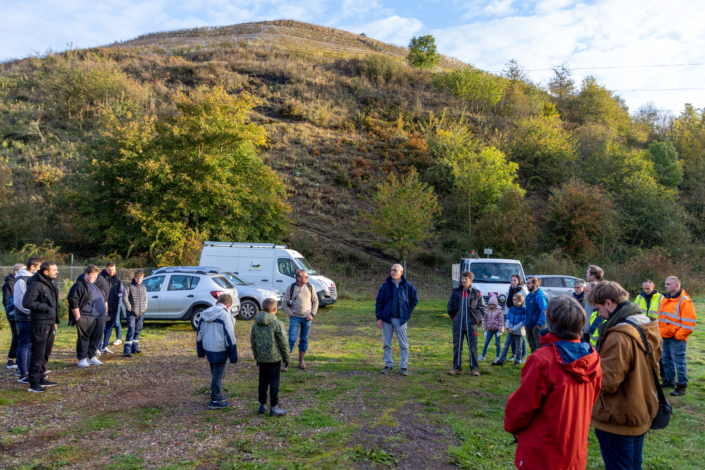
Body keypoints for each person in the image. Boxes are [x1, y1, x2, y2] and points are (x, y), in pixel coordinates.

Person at [504, 296, 602, 470]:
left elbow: (522, 407)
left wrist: (512, 425)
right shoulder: (592, 356)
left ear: (551, 321)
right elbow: (592, 397)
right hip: (574, 447)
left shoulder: (543, 360)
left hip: (542, 450)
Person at [588, 281, 661, 470]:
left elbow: (607, 382)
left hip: (618, 418)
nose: (599, 315)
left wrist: (584, 373)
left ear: (609, 302)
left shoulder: (618, 336)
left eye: (598, 309)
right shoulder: (646, 323)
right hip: (640, 410)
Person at [23, 262, 60, 393]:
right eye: (54, 270)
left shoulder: (50, 282)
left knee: (46, 352)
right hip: (39, 323)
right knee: (38, 353)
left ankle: (41, 377)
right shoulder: (35, 283)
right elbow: (27, 302)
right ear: (45, 272)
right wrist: (45, 308)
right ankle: (33, 382)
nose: (57, 272)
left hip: (50, 322)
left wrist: (54, 319)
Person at [196, 293, 238, 410]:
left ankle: (217, 394)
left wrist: (200, 349)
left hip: (208, 346)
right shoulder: (225, 315)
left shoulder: (205, 313)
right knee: (218, 375)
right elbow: (229, 334)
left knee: (215, 372)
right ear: (229, 305)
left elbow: (199, 332)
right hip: (220, 348)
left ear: (216, 302)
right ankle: (214, 400)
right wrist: (233, 354)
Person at [376, 264, 419, 376]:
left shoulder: (408, 286)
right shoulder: (385, 286)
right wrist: (379, 317)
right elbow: (379, 302)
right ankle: (388, 365)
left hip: (401, 320)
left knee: (403, 345)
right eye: (392, 270)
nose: (393, 272)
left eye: (395, 270)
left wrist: (407, 311)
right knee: (386, 344)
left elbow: (414, 300)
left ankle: (404, 367)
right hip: (387, 319)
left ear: (401, 272)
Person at [251, 298, 290, 417]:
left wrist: (257, 357)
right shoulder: (277, 323)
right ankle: (274, 407)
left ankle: (262, 405)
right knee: (274, 382)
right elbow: (283, 342)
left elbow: (253, 342)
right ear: (275, 309)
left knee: (262, 381)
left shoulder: (256, 323)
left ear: (263, 308)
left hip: (261, 358)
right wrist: (286, 358)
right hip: (274, 358)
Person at [657, 276, 696, 397]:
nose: (665, 286)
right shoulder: (665, 298)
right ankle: (670, 381)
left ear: (676, 286)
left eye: (668, 284)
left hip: (676, 339)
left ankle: (682, 386)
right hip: (664, 336)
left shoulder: (685, 301)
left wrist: (677, 336)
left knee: (679, 362)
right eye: (665, 283)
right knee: (665, 360)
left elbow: (689, 324)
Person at [67, 265, 107, 368]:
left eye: (96, 275)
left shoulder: (98, 283)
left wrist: (105, 306)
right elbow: (73, 300)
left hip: (99, 316)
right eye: (93, 275)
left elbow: (104, 295)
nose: (95, 277)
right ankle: (82, 359)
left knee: (96, 337)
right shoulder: (79, 285)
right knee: (84, 338)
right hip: (85, 316)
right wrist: (77, 316)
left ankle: (92, 357)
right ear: (86, 274)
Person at [447, 271, 485, 376]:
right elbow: (450, 306)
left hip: (471, 325)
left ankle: (474, 368)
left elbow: (482, 309)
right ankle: (456, 367)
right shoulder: (455, 292)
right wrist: (454, 318)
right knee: (457, 346)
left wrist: (475, 320)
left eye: (466, 279)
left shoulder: (477, 293)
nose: (463, 280)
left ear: (471, 280)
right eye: (462, 278)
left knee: (472, 346)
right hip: (458, 324)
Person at [13, 257, 43, 384]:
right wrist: (32, 312)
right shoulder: (21, 280)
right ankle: (23, 373)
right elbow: (20, 302)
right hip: (25, 317)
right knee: (24, 344)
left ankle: (31, 370)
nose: (41, 270)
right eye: (40, 267)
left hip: (33, 317)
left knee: (32, 344)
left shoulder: (32, 279)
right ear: (33, 267)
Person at [282, 269, 318, 370]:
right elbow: (284, 303)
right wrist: (291, 314)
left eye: (307, 277)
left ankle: (301, 361)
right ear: (298, 278)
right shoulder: (291, 287)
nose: (307, 278)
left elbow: (315, 302)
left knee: (304, 339)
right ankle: (285, 362)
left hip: (307, 318)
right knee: (291, 340)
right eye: (305, 277)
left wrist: (312, 314)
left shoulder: (310, 287)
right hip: (295, 318)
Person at [96, 262, 124, 354]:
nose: (111, 272)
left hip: (113, 307)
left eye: (113, 270)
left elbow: (121, 292)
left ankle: (105, 347)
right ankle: (97, 348)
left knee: (109, 328)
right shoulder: (99, 278)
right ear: (106, 269)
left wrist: (118, 301)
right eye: (109, 270)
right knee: (101, 328)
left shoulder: (117, 280)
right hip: (102, 308)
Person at [493, 293, 527, 366]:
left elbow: (523, 322)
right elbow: (507, 318)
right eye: (513, 299)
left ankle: (517, 361)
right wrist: (508, 327)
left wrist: (514, 329)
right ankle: (501, 361)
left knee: (519, 348)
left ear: (520, 300)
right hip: (510, 331)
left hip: (519, 332)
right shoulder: (511, 308)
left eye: (515, 300)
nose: (513, 301)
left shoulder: (524, 310)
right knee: (506, 345)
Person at [3, 263, 24, 370]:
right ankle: (11, 359)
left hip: (20, 313)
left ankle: (18, 358)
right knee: (17, 334)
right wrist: (12, 312)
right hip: (13, 314)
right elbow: (6, 300)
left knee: (20, 335)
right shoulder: (9, 283)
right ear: (15, 272)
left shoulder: (19, 281)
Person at [122, 271, 147, 357]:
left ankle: (134, 348)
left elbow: (145, 299)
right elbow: (124, 298)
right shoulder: (129, 286)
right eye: (137, 278)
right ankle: (127, 350)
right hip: (131, 314)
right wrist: (130, 309)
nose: (139, 280)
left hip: (141, 313)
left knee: (137, 331)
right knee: (131, 331)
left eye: (140, 278)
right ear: (134, 277)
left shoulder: (143, 287)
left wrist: (144, 308)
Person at [505, 275, 528, 361]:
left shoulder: (522, 290)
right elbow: (508, 301)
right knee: (511, 334)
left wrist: (522, 311)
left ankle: (523, 355)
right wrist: (508, 314)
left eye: (515, 280)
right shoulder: (510, 289)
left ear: (518, 281)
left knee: (522, 336)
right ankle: (514, 354)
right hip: (512, 314)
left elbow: (524, 302)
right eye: (511, 280)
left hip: (520, 314)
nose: (513, 282)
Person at [524, 277, 547, 354]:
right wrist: (525, 322)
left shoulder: (540, 296)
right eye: (526, 283)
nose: (526, 285)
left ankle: (540, 364)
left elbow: (544, 310)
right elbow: (527, 311)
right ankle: (533, 364)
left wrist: (540, 323)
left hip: (536, 326)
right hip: (528, 325)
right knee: (532, 346)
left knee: (539, 347)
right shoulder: (528, 296)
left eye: (528, 283)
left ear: (535, 284)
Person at [480, 295, 504, 362]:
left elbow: (501, 321)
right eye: (490, 304)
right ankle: (483, 356)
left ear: (495, 304)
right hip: (489, 330)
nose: (491, 306)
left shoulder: (499, 311)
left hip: (497, 330)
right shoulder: (486, 311)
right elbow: (484, 320)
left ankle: (497, 357)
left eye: (493, 304)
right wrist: (484, 330)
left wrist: (501, 331)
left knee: (497, 343)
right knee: (486, 342)